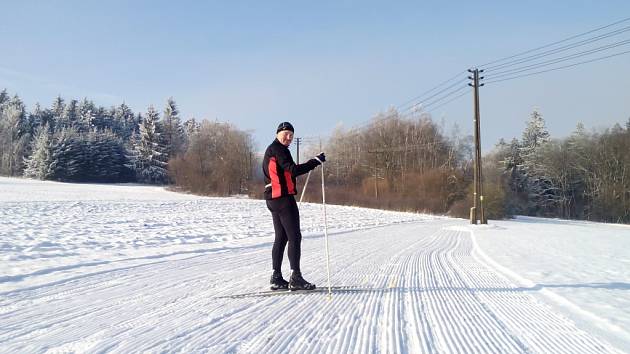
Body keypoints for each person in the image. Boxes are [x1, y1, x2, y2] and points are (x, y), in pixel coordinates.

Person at [262, 122, 325, 291]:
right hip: (282, 199)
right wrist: (314, 162)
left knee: (281, 238)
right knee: (295, 236)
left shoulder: (271, 150)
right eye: (286, 134)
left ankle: (276, 277)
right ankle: (295, 277)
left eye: (291, 135)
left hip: (272, 200)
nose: (289, 137)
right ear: (278, 133)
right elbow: (293, 170)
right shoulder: (279, 150)